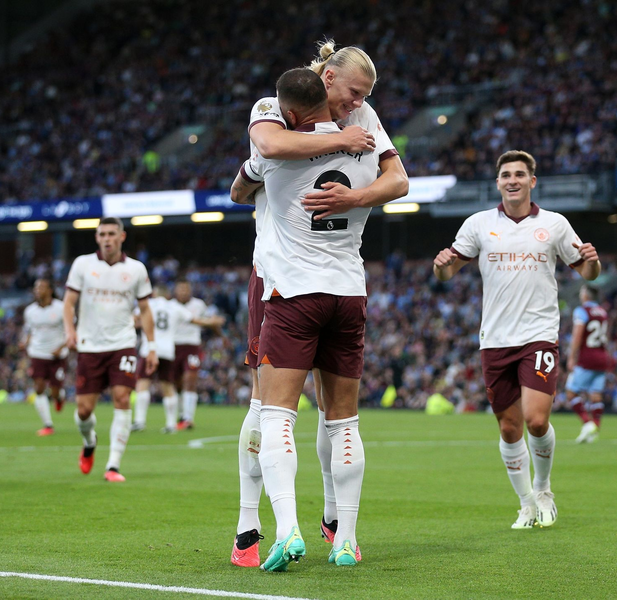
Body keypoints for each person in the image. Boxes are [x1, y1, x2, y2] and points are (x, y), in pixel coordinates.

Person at [228, 39, 408, 569]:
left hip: (292, 281)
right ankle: (249, 524)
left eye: (365, 96)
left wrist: (353, 193)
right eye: (353, 92)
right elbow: (267, 148)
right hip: (291, 275)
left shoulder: (363, 118)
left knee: (276, 409)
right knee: (298, 410)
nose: (359, 104)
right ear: (327, 78)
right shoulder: (274, 108)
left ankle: (319, 521)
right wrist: (341, 141)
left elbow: (398, 179)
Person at [433, 150, 601, 529]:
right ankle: (525, 503)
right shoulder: (478, 224)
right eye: (506, 174)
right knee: (509, 428)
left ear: (532, 181)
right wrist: (441, 266)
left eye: (520, 174)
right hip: (495, 339)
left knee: (536, 420)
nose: (513, 180)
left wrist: (592, 262)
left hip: (539, 335)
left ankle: (543, 489)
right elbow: (447, 272)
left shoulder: (554, 224)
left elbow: (588, 272)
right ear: (498, 183)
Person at [63, 217, 158, 483]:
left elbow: (145, 310)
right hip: (89, 345)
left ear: (121, 237)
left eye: (111, 234)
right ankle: (89, 441)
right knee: (84, 410)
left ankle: (113, 465)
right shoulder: (82, 264)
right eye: (102, 234)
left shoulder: (136, 269)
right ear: (96, 237)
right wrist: (69, 331)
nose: (106, 239)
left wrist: (151, 346)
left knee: (122, 398)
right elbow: (69, 302)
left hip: (122, 344)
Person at [132, 284, 225, 433]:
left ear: (154, 294)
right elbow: (194, 320)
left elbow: (135, 318)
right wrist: (213, 322)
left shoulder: (148, 304)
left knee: (143, 382)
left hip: (150, 349)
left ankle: (139, 421)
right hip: (168, 350)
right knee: (168, 386)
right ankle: (170, 424)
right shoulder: (174, 307)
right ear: (169, 295)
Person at [20, 278, 68, 436]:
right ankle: (48, 425)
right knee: (39, 388)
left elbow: (71, 329)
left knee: (55, 392)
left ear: (50, 290)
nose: (37, 290)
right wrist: (25, 342)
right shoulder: (30, 311)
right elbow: (29, 331)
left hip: (57, 356)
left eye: (41, 287)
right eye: (36, 287)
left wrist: (61, 347)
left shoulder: (61, 308)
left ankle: (59, 398)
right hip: (37, 353)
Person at [565, 285, 610, 443]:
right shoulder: (602, 312)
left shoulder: (581, 311)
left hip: (587, 357)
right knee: (595, 394)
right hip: (602, 356)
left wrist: (572, 357)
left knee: (571, 392)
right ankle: (595, 430)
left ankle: (587, 423)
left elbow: (577, 336)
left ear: (586, 295)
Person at [172, 279, 213, 430]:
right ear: (176, 291)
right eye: (181, 289)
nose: (183, 292)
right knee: (176, 383)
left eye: (186, 289)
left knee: (190, 379)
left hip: (192, 346)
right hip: (173, 346)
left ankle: (188, 418)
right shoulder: (170, 306)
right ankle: (181, 414)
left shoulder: (199, 305)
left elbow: (208, 320)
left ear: (190, 291)